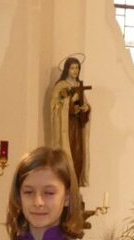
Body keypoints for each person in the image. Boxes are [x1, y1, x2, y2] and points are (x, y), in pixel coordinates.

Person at [49, 57, 91, 187]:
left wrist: (86, 108)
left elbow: (85, 104)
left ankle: (76, 189)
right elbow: (55, 107)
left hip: (78, 127)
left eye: (77, 68)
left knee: (78, 157)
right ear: (67, 69)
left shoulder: (79, 85)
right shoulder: (60, 86)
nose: (75, 71)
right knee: (68, 156)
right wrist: (71, 100)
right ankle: (67, 188)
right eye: (72, 68)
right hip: (66, 129)